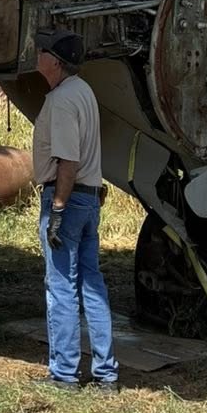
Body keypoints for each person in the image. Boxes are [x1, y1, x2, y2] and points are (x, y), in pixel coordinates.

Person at [32, 28, 119, 391]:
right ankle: (106, 373)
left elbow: (68, 161)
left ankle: (64, 374)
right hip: (89, 196)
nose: (36, 55)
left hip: (68, 198)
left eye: (41, 51)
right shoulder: (84, 92)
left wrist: (57, 208)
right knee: (92, 285)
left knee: (61, 286)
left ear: (54, 62)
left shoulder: (63, 100)